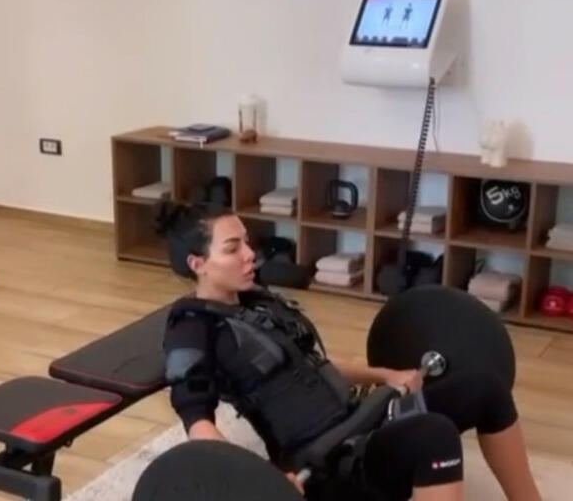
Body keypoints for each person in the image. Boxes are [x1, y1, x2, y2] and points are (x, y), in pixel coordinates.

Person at [162, 203, 541, 501]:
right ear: (198, 264)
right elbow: (198, 426)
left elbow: (315, 365)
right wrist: (262, 482)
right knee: (433, 436)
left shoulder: (256, 302)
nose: (250, 254)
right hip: (323, 466)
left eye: (246, 242)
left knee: (486, 390)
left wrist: (386, 374)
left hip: (363, 421)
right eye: (233, 248)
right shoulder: (191, 329)